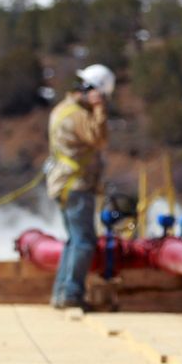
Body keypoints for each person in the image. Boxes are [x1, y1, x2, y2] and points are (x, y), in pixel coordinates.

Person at [47, 64, 114, 310]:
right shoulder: (76, 115)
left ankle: (62, 292)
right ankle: (71, 294)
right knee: (84, 242)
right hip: (76, 185)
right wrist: (99, 109)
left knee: (74, 240)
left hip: (67, 184)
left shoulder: (63, 110)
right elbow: (100, 138)